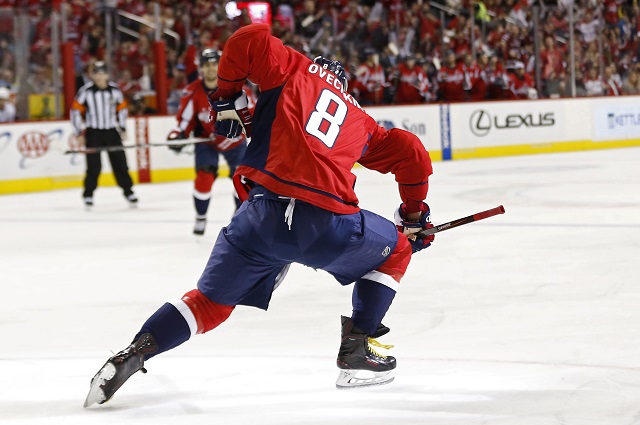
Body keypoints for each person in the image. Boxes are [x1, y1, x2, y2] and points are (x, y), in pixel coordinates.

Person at [83, 23, 434, 407]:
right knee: (397, 249)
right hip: (325, 222)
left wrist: (226, 97)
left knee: (209, 303)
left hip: (258, 215)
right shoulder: (361, 121)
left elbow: (248, 38)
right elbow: (411, 152)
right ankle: (358, 352)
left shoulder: (294, 68)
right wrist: (413, 217)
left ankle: (134, 352)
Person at [166, 48, 251, 235]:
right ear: (201, 69)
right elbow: (185, 120)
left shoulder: (237, 88)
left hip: (234, 143)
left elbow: (252, 116)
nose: (211, 69)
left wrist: (243, 125)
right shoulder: (193, 91)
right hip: (207, 142)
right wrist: (178, 135)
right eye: (206, 65)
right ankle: (201, 216)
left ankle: (239, 219)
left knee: (243, 182)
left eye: (214, 64)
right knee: (203, 180)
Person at [70, 61, 138, 208]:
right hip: (94, 133)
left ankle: (128, 191)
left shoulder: (115, 90)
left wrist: (123, 128)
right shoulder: (86, 91)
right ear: (92, 75)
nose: (100, 77)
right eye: (97, 74)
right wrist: (78, 133)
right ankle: (88, 194)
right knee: (94, 166)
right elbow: (75, 111)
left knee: (120, 163)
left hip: (112, 132)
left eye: (102, 74)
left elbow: (122, 110)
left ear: (107, 75)